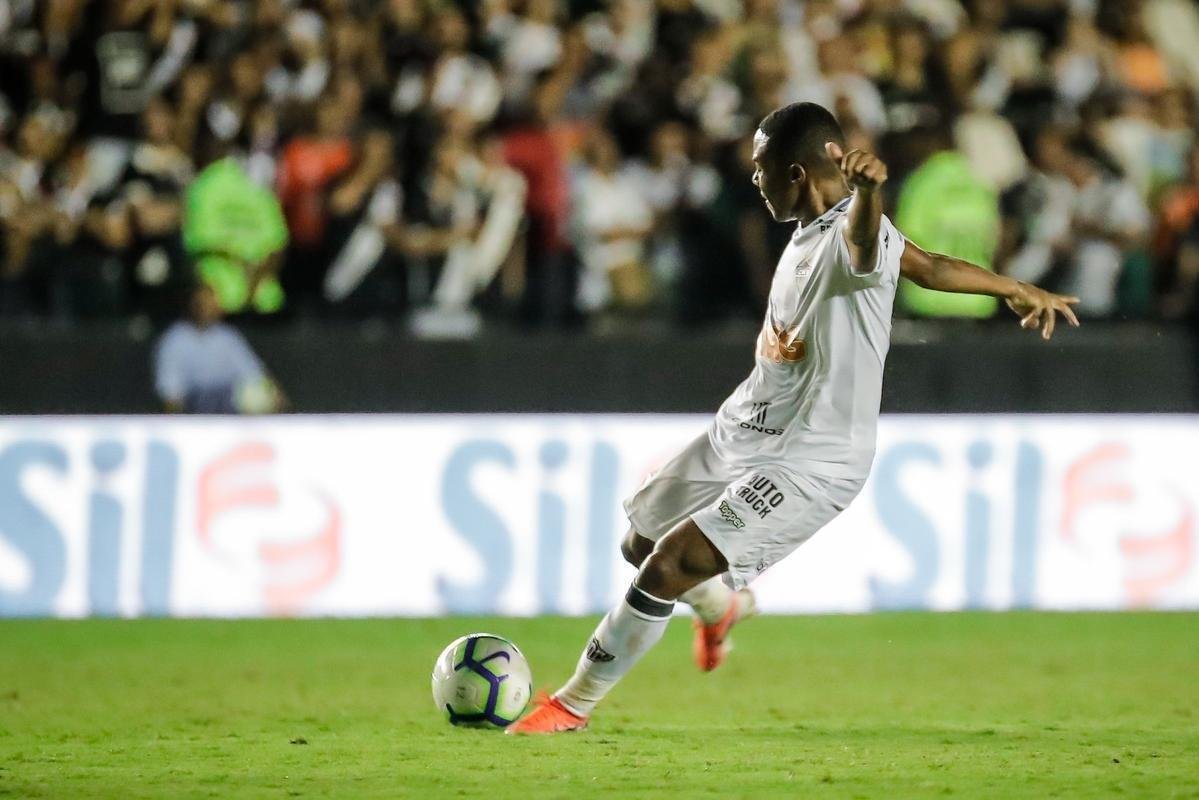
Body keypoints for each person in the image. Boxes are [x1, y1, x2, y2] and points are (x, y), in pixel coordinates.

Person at [507, 102, 1080, 735]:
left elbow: (866, 245)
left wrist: (867, 196)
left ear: (798, 173)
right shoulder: (814, 232)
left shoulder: (851, 234)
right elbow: (928, 265)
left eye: (762, 168)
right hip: (745, 429)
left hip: (815, 456)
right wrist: (1014, 288)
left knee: (668, 566)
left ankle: (571, 706)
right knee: (638, 541)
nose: (755, 180)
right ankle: (722, 609)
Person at [154, 284, 282, 414]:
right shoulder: (175, 339)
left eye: (211, 303)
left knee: (257, 394)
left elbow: (253, 374)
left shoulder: (227, 336)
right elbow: (171, 392)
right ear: (191, 305)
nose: (207, 308)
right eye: (201, 303)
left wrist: (274, 396)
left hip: (228, 404)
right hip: (194, 406)